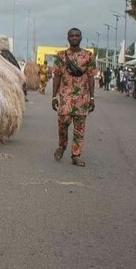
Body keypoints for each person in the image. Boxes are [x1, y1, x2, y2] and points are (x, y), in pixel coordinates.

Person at [52, 28, 96, 167]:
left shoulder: (88, 56)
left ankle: (76, 155)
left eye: (77, 35)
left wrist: (92, 98)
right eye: (72, 35)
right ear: (68, 38)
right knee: (63, 123)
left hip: (82, 98)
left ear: (81, 37)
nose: (74, 37)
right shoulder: (60, 56)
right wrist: (54, 96)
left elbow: (91, 77)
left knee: (79, 129)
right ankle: (62, 145)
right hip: (65, 97)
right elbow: (57, 75)